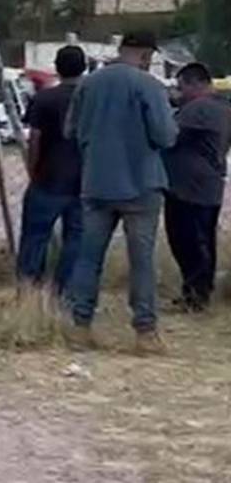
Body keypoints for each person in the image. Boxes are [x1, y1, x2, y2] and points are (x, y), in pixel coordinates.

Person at [64, 31, 177, 353]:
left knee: (89, 258)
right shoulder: (149, 85)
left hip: (96, 182)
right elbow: (165, 136)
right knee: (141, 261)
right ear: (146, 55)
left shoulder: (88, 84)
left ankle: (80, 326)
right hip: (140, 183)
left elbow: (70, 130)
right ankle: (145, 332)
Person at [16, 46, 86, 292]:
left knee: (35, 237)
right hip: (83, 180)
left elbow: (34, 138)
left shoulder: (44, 98)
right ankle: (65, 289)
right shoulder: (91, 99)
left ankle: (29, 287)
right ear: (84, 68)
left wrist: (32, 169)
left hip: (48, 177)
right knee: (76, 238)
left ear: (57, 68)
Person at [163, 63, 231, 313]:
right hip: (208, 184)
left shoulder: (198, 109)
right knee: (203, 240)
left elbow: (167, 134)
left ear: (195, 84)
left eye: (182, 88)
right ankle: (198, 292)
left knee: (187, 240)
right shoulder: (223, 107)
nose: (179, 93)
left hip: (189, 188)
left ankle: (196, 295)